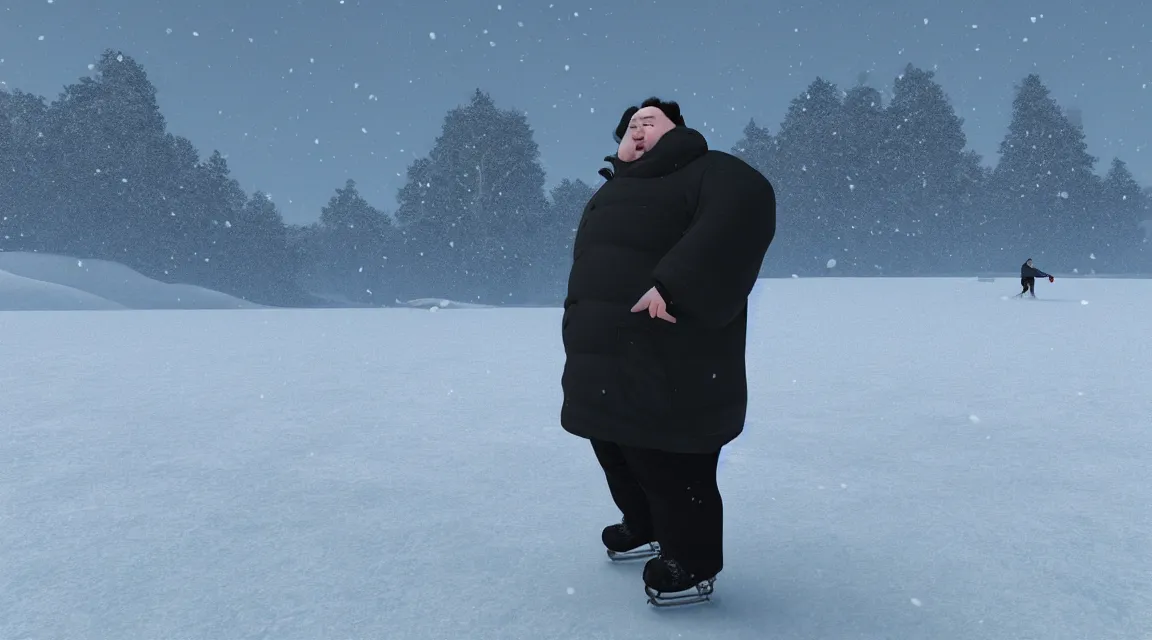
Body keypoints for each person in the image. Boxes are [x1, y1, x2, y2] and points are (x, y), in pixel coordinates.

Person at [559, 97, 776, 605]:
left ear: (677, 131)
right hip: (604, 355)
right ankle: (645, 524)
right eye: (630, 126)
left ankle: (692, 562)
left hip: (670, 352)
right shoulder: (611, 191)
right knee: (614, 446)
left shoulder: (710, 171)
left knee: (672, 459)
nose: (637, 131)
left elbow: (744, 209)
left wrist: (676, 285)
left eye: (649, 123)